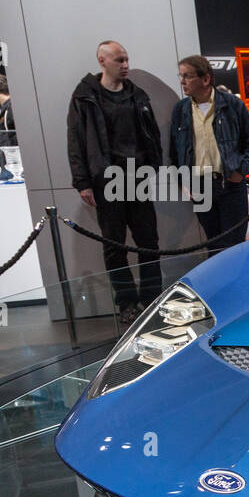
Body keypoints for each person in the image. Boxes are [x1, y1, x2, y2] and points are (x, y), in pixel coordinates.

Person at [66, 40, 163, 323]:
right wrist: (82, 181)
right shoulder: (85, 96)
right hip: (106, 178)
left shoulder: (137, 95)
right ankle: (127, 303)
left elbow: (151, 133)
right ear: (102, 61)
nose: (125, 65)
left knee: (149, 242)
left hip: (139, 175)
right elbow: (75, 140)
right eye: (119, 60)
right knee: (114, 246)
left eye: (126, 59)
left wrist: (154, 165)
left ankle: (151, 299)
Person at [168, 55, 249, 255]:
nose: (182, 81)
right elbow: (174, 151)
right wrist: (184, 182)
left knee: (234, 248)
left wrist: (240, 171)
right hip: (201, 188)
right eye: (181, 76)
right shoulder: (180, 110)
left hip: (230, 185)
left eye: (188, 76)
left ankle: (237, 286)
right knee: (213, 247)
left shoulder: (232, 105)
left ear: (205, 79)